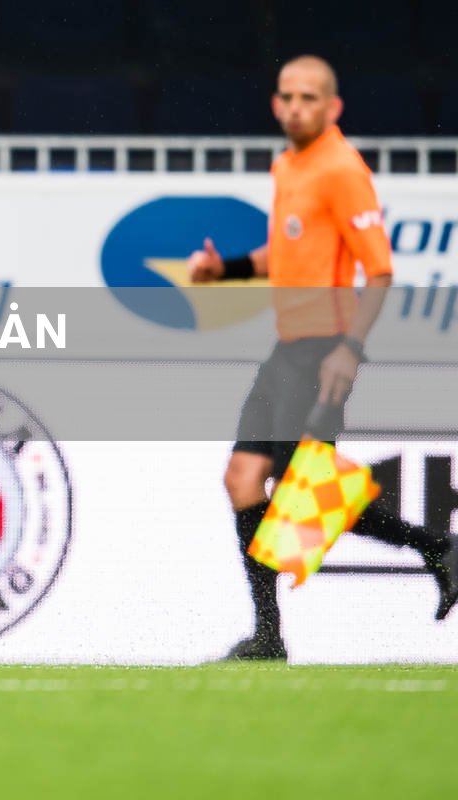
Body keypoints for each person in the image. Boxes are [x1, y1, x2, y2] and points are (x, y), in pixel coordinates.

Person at [187, 55, 457, 661]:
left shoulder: (341, 169)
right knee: (243, 479)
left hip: (321, 352)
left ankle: (436, 544)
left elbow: (381, 270)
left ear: (333, 108)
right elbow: (282, 257)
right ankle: (269, 638)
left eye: (309, 97)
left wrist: (349, 351)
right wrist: (223, 270)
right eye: (286, 96)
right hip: (287, 350)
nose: (295, 107)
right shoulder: (289, 166)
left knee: (306, 490)